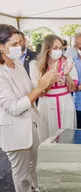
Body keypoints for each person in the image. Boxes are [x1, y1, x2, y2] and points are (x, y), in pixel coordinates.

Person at [0, 24, 60, 192]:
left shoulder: (17, 64)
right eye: (14, 44)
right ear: (0, 46)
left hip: (31, 123)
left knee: (34, 165)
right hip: (15, 129)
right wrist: (39, 88)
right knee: (21, 174)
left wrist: (46, 84)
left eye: (20, 42)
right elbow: (13, 107)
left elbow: (30, 91)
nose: (19, 47)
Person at [30, 34, 78, 142]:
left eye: (60, 48)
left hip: (65, 101)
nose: (58, 51)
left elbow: (73, 88)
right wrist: (50, 82)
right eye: (55, 48)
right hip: (46, 103)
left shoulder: (67, 61)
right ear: (47, 48)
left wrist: (66, 75)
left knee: (67, 133)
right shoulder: (36, 65)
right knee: (47, 134)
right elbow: (39, 93)